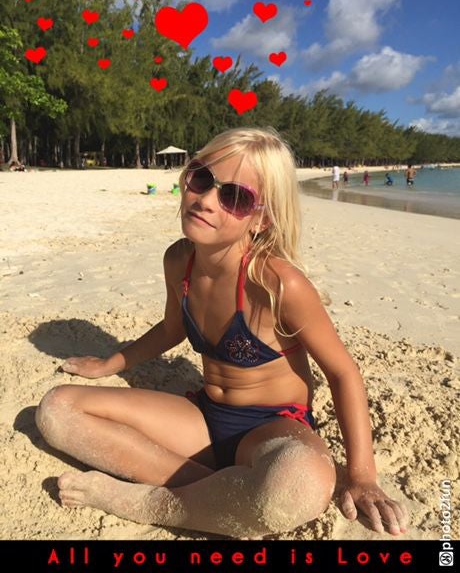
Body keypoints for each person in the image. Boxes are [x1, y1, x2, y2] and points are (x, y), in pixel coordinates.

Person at [35, 127, 408, 539]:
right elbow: (173, 328)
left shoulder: (278, 285)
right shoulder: (179, 262)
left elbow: (343, 373)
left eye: (235, 197)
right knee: (57, 410)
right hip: (204, 417)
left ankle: (148, 502)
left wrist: (362, 476)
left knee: (300, 484)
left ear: (262, 218)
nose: (207, 200)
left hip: (271, 429)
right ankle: (214, 489)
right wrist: (111, 363)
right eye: (201, 178)